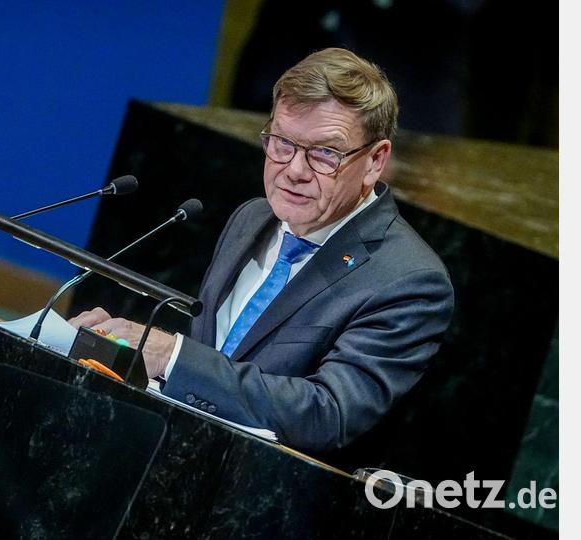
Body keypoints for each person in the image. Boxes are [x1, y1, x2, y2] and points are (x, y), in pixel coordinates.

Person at [69, 47, 454, 454]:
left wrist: (173, 355)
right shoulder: (253, 218)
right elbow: (214, 363)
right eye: (282, 142)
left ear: (376, 160)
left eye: (325, 153)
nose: (295, 170)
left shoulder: (408, 279)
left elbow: (329, 413)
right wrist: (120, 349)